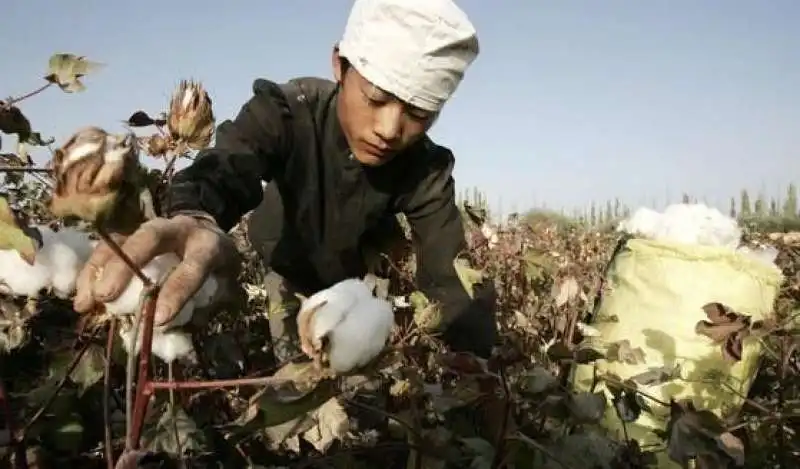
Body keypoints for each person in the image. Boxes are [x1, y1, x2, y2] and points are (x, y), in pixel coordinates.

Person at [72, 0, 497, 364]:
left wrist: (479, 370)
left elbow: (450, 277)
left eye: (419, 114)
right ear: (339, 65)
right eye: (376, 98)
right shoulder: (288, 110)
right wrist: (196, 216)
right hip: (285, 270)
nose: (390, 128)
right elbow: (228, 165)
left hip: (357, 285)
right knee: (292, 380)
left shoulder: (426, 168)